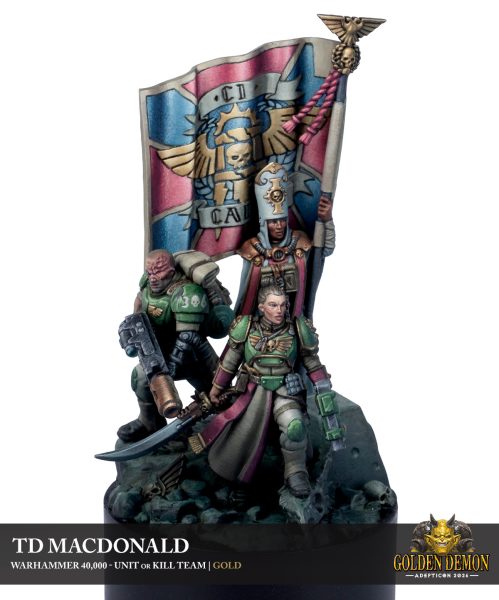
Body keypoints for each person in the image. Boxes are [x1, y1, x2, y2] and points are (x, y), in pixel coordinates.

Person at [189, 285, 344, 498]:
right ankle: (237, 477)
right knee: (242, 437)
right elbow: (229, 363)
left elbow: (312, 363)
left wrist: (323, 387)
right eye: (273, 305)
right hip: (252, 392)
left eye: (282, 305)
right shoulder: (246, 328)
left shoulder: (298, 330)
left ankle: (296, 472)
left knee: (295, 426)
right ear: (262, 307)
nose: (279, 310)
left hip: (285, 390)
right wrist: (216, 390)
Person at [118, 248, 232, 442]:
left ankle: (232, 429)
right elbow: (137, 313)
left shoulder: (187, 293)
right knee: (139, 378)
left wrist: (170, 367)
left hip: (194, 357)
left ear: (171, 272)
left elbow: (187, 336)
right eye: (150, 272)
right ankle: (150, 424)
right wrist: (130, 336)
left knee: (219, 396)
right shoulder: (147, 283)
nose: (153, 278)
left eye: (159, 272)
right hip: (160, 353)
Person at [235, 162, 335, 319]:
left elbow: (325, 250)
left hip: (293, 320)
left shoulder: (300, 243)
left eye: (282, 220)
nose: (279, 226)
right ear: (264, 223)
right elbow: (246, 295)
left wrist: (327, 220)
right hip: (259, 322)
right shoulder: (252, 250)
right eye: (273, 222)